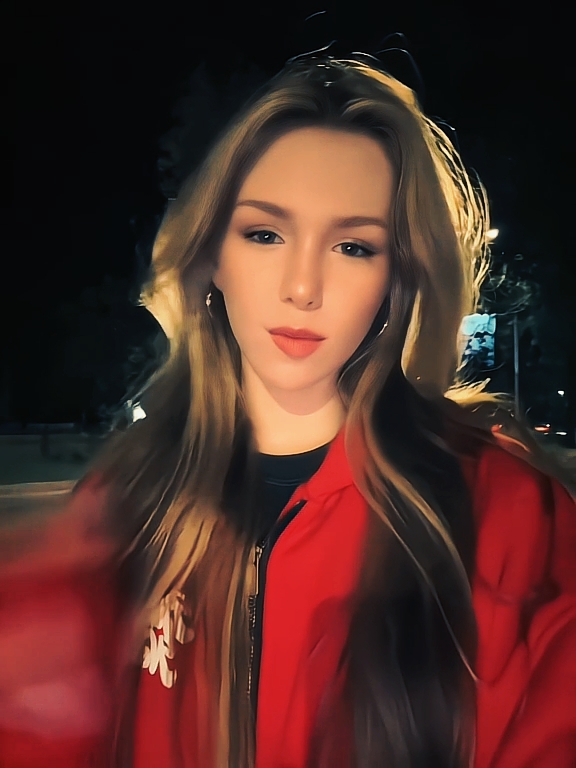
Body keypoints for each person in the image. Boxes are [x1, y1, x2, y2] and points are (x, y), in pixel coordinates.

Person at [1, 55, 575, 768]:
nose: (303, 287)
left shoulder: (507, 515)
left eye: (353, 246)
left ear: (397, 279)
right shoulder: (122, 508)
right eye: (265, 234)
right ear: (211, 255)